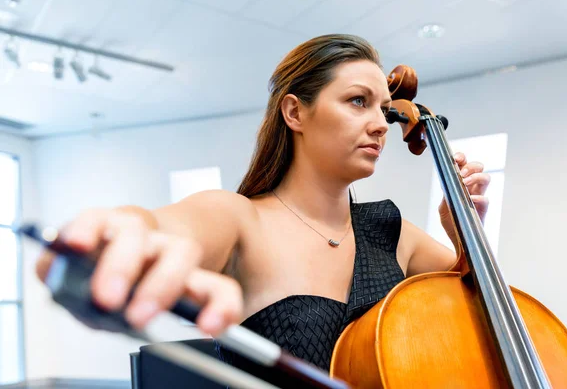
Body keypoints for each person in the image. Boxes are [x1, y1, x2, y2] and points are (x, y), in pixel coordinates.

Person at [35, 34, 490, 379]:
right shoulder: (239, 219)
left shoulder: (394, 233)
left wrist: (465, 232)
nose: (380, 124)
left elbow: (475, 322)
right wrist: (123, 232)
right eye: (358, 102)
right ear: (295, 113)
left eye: (385, 109)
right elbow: (163, 229)